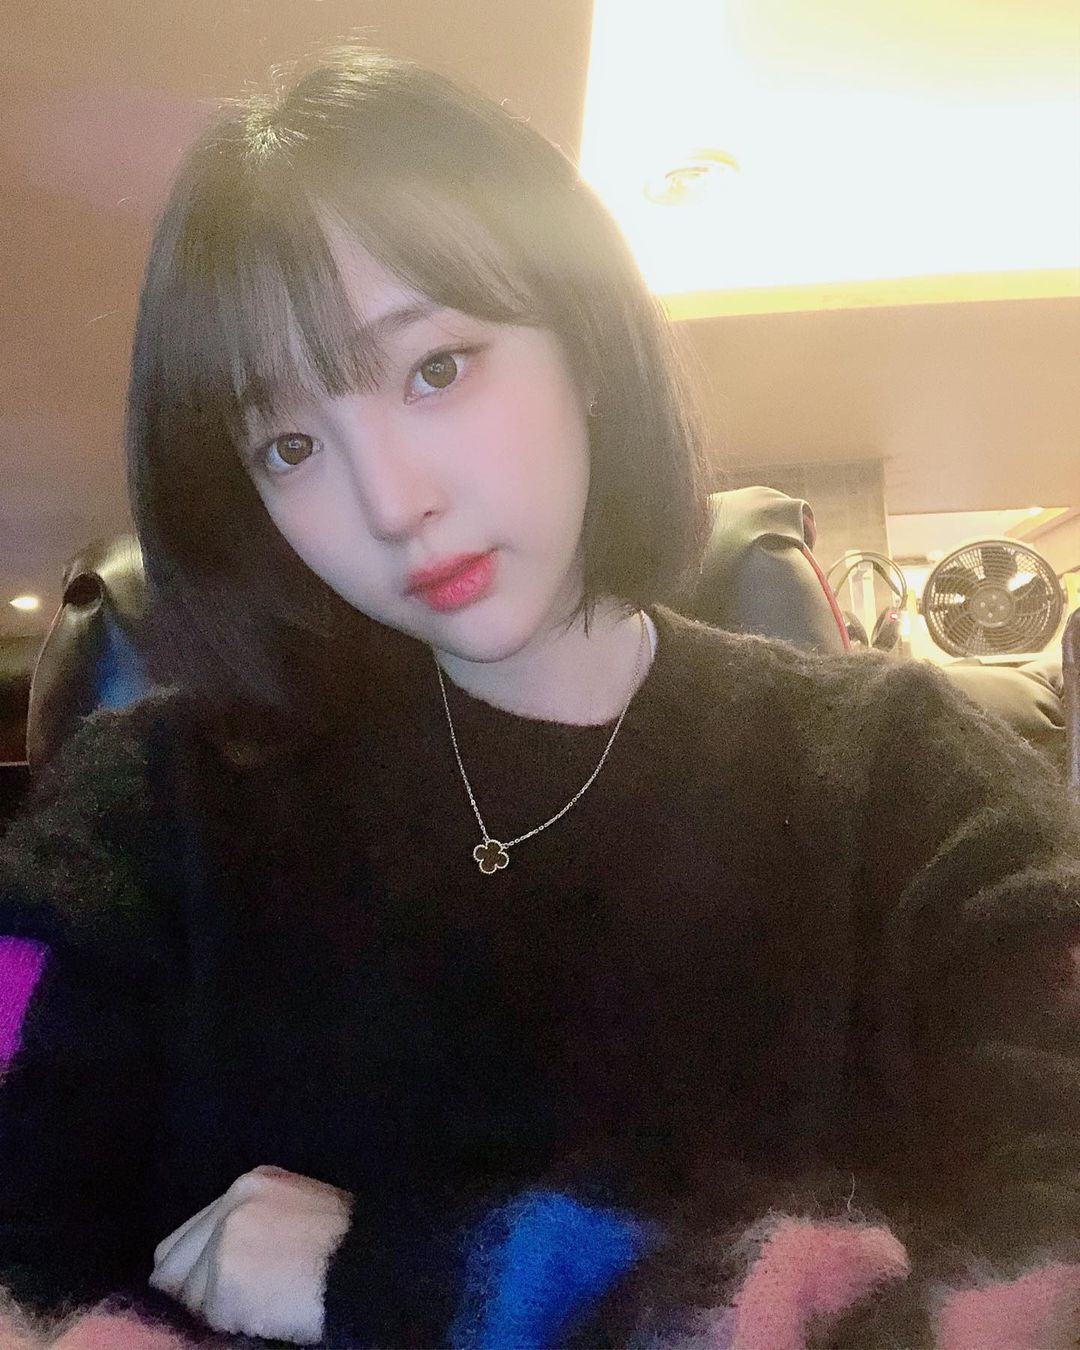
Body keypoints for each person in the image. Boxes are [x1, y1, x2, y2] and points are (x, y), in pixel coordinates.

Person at [2, 44, 1080, 1350]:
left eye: (436, 369)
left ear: (584, 344)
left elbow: (1033, 1294)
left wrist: (413, 1278)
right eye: (289, 445)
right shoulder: (150, 810)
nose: (391, 502)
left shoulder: (913, 790)